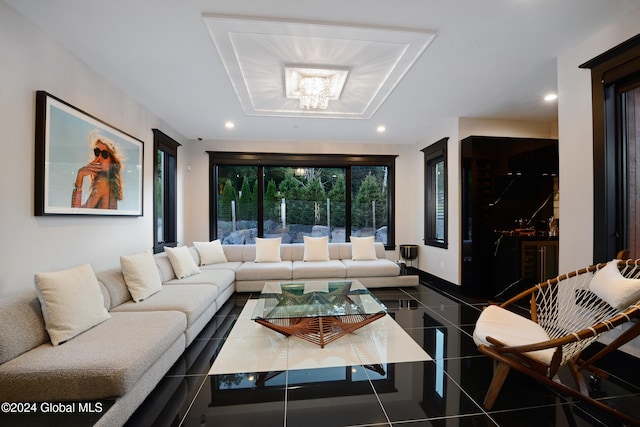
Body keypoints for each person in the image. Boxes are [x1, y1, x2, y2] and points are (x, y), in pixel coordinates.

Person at [71, 130, 124, 209]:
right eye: (97, 152)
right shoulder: (111, 182)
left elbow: (76, 211)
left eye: (104, 154)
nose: (99, 158)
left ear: (112, 160)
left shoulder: (102, 182)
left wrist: (80, 175)